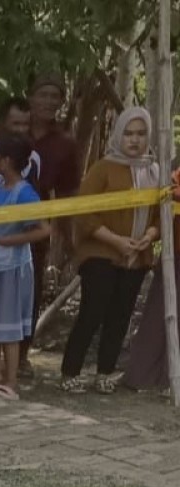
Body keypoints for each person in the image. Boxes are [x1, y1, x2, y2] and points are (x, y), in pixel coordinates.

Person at [60, 107, 159, 394]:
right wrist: (116, 241)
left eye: (141, 134)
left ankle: (105, 372)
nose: (135, 140)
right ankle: (70, 372)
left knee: (120, 316)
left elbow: (159, 215)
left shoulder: (154, 171)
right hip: (100, 253)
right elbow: (85, 212)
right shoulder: (103, 168)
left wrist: (149, 236)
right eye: (128, 133)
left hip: (136, 256)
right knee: (92, 312)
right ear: (118, 135)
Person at [0, 134, 51, 400]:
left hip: (12, 267)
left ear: (5, 161)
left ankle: (11, 379)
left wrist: (9, 240)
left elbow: (43, 229)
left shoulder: (25, 192)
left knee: (9, 325)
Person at [26, 72, 81, 373]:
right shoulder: (12, 130)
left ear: (61, 102)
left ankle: (20, 356)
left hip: (37, 227)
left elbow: (68, 194)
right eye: (42, 94)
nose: (48, 102)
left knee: (30, 291)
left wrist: (71, 240)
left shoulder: (64, 144)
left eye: (54, 96)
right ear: (31, 97)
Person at [126, 166, 180, 394]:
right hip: (175, 256)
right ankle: (147, 375)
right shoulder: (177, 176)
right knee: (160, 313)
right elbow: (168, 193)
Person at [0, 98, 40, 197]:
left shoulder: (34, 159)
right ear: (1, 124)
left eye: (25, 124)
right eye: (16, 124)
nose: (21, 130)